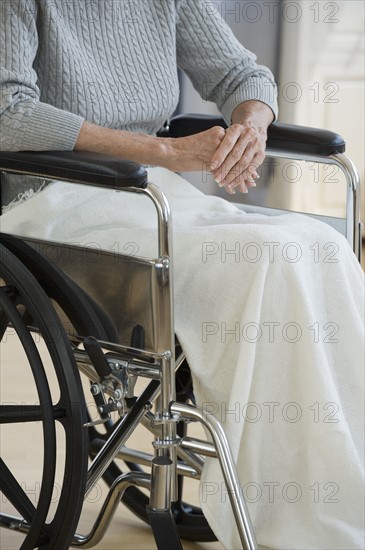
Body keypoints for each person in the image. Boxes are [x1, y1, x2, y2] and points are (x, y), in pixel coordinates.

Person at [0, 1, 364, 549]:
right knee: (264, 260)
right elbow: (8, 112)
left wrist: (250, 126)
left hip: (149, 191)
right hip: (55, 197)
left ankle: (335, 488)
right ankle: (282, 513)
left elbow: (242, 75)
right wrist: (165, 150)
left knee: (320, 247)